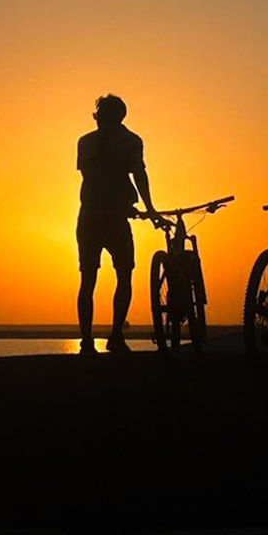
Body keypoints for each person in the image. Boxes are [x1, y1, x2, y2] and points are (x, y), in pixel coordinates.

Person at [75, 94, 162, 355]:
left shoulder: (88, 142)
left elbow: (97, 176)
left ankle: (97, 340)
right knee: (116, 276)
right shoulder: (128, 141)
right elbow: (137, 174)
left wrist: (148, 208)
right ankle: (103, 339)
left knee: (95, 278)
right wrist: (149, 209)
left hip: (93, 216)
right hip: (107, 216)